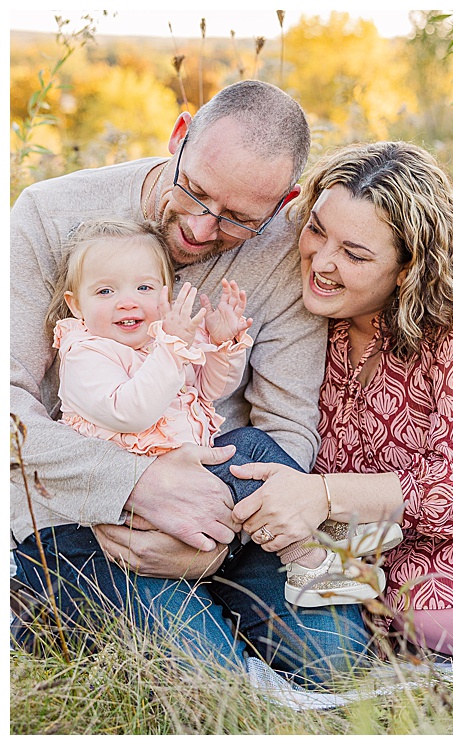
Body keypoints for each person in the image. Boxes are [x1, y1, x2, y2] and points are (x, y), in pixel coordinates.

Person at [11, 80, 367, 683]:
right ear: (178, 137)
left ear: (283, 202)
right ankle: (52, 597)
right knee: (212, 679)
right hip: (83, 508)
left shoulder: (285, 255)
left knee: (339, 659)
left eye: (236, 220)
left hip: (225, 501)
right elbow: (9, 404)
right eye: (195, 192)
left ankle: (234, 591)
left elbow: (287, 427)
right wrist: (133, 484)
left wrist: (218, 536)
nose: (202, 229)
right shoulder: (46, 213)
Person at [227, 141, 453, 662]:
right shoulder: (297, 299)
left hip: (444, 557)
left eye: (354, 254)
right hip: (314, 552)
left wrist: (324, 494)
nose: (321, 263)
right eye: (317, 231)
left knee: (424, 623)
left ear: (408, 269)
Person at [44, 218, 397, 610]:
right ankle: (309, 564)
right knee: (239, 476)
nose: (127, 301)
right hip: (144, 493)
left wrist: (223, 344)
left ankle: (322, 524)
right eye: (106, 291)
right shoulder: (87, 354)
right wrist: (172, 349)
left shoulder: (159, 341)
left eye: (143, 288)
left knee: (252, 445)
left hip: (191, 464)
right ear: (77, 304)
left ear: (166, 293)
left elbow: (209, 390)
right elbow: (131, 412)